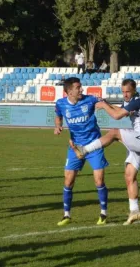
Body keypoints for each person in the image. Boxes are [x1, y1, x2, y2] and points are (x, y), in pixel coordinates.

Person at [72, 79, 140, 225]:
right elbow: (119, 111)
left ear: (134, 89)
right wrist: (107, 103)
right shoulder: (132, 100)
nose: (125, 94)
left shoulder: (137, 100)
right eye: (123, 92)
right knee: (129, 176)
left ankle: (84, 150)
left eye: (127, 91)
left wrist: (104, 105)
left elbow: (116, 116)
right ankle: (134, 211)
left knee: (114, 132)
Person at [54, 77, 109, 226]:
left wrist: (105, 105)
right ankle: (66, 215)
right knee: (68, 180)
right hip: (75, 147)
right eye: (78, 87)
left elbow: (102, 103)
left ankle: (103, 213)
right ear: (69, 91)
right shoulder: (60, 103)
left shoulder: (90, 100)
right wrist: (58, 125)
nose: (81, 90)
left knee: (99, 180)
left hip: (94, 145)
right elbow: (58, 116)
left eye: (81, 87)